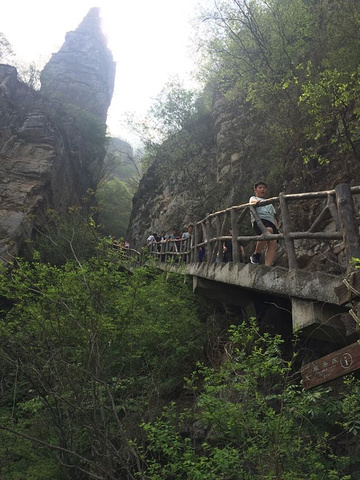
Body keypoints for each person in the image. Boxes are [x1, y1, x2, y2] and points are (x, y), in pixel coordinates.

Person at [249, 181, 279, 267]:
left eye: (264, 188)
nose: (263, 189)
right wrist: (257, 202)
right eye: (260, 188)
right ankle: (256, 254)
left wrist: (277, 228)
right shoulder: (253, 198)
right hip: (259, 221)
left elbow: (273, 217)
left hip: (271, 223)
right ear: (255, 190)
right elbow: (253, 202)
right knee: (268, 231)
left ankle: (267, 266)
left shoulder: (269, 202)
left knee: (273, 242)